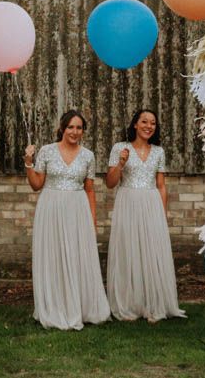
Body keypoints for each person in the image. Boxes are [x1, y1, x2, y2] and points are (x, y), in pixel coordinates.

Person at [24, 110, 110, 330]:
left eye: (79, 128)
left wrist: (92, 219)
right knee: (53, 255)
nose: (74, 131)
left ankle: (79, 306)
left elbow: (90, 190)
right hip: (51, 208)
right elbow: (36, 184)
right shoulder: (47, 151)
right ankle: (55, 306)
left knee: (77, 256)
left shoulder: (88, 155)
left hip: (77, 208)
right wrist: (28, 162)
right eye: (71, 127)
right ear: (62, 128)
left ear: (83, 131)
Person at [105, 109, 185, 322]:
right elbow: (110, 183)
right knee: (128, 250)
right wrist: (121, 164)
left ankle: (153, 304)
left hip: (151, 203)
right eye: (144, 122)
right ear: (135, 124)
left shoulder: (158, 152)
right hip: (127, 202)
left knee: (151, 252)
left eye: (153, 123)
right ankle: (129, 304)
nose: (149, 126)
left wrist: (162, 213)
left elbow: (161, 185)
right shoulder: (119, 149)